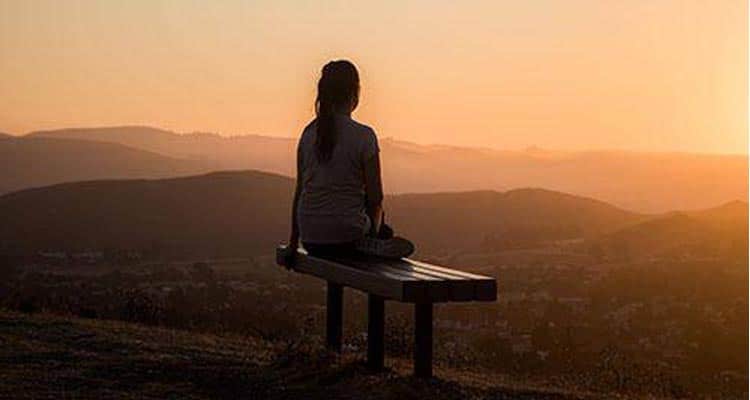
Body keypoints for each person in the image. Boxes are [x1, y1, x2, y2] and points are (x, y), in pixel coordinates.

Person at [283, 60, 414, 265]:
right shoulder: (364, 136)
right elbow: (375, 198)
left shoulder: (308, 134)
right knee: (382, 226)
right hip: (347, 237)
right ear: (355, 93)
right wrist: (374, 231)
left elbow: (300, 192)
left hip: (311, 238)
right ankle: (373, 242)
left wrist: (293, 243)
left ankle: (375, 240)